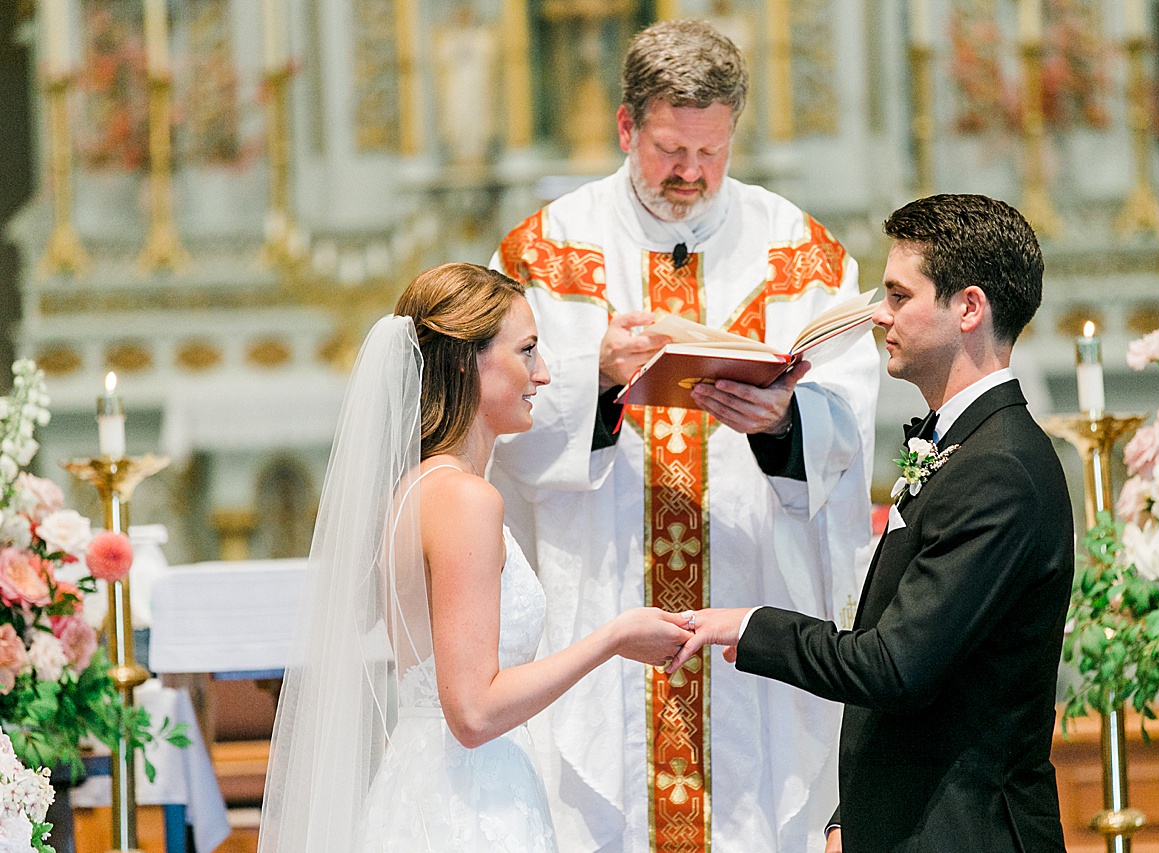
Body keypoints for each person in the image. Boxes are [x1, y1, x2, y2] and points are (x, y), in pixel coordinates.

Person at [489, 19, 880, 853]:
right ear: (627, 127)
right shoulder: (546, 252)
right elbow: (495, 411)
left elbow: (847, 416)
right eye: (670, 149)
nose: (691, 174)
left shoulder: (799, 254)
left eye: (712, 153)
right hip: (600, 593)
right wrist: (592, 367)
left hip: (749, 593)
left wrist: (784, 423)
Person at [668, 194, 1074, 853]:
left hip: (969, 832)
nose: (880, 313)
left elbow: (896, 663)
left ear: (968, 307)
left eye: (898, 293)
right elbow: (922, 672)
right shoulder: (964, 448)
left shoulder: (1000, 468)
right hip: (914, 819)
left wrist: (747, 625)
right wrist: (847, 818)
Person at [257, 263, 693, 853]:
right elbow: (473, 712)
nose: (542, 375)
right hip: (468, 803)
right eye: (527, 352)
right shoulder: (464, 498)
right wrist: (612, 639)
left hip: (423, 783)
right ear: (467, 362)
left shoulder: (416, 487)